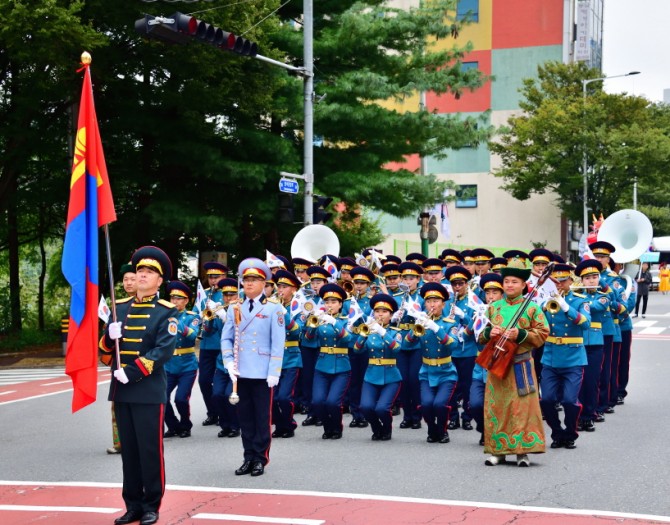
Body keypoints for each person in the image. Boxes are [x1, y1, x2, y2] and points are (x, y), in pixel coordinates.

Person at [100, 246, 178, 525]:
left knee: (149, 450)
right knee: (129, 451)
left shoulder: (165, 312)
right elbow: (104, 354)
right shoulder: (119, 307)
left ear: (160, 281)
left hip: (146, 388)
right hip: (121, 390)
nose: (143, 275)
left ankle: (151, 505)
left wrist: (132, 372)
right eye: (141, 271)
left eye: (150, 273)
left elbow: (163, 351)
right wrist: (109, 338)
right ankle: (132, 503)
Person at [479, 258, 548, 467]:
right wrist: (491, 332)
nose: (509, 285)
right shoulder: (493, 308)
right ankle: (497, 450)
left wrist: (521, 334)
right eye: (507, 281)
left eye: (514, 282)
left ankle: (522, 452)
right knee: (497, 406)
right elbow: (481, 336)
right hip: (498, 364)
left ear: (523, 285)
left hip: (521, 364)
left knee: (521, 408)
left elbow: (543, 333)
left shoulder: (532, 308)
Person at [221, 258, 285, 477]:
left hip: (262, 372)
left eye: (254, 280)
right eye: (246, 280)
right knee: (245, 417)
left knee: (261, 418)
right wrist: (228, 361)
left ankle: (260, 458)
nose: (248, 284)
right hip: (240, 371)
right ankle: (248, 456)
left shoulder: (273, 309)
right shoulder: (234, 307)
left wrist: (274, 372)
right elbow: (226, 338)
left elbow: (278, 343)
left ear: (263, 283)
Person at [539, 264, 590, 450]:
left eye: (563, 281)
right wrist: (543, 307)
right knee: (546, 400)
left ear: (570, 281)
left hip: (573, 357)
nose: (560, 284)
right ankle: (557, 432)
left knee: (569, 400)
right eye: (556, 282)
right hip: (551, 356)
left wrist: (566, 307)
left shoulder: (579, 301)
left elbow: (585, 323)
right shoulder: (546, 301)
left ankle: (570, 433)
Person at [406, 282, 459, 444]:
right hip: (427, 371)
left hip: (446, 372)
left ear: (443, 304)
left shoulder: (450, 324)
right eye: (429, 301)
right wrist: (416, 328)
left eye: (436, 301)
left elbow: (453, 344)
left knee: (440, 405)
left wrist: (437, 329)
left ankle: (442, 431)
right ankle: (431, 429)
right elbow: (406, 344)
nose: (432, 305)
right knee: (427, 404)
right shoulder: (422, 322)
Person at [304, 283, 352, 439]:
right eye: (327, 302)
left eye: (333, 302)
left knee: (332, 402)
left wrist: (334, 322)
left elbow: (348, 339)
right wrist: (313, 322)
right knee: (318, 401)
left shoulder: (345, 321)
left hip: (341, 365)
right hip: (322, 364)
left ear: (340, 304)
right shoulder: (320, 319)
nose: (329, 305)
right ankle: (327, 427)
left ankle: (336, 428)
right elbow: (309, 338)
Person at [354, 293, 403, 441]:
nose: (380, 315)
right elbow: (357, 350)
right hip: (371, 375)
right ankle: (376, 428)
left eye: (384, 312)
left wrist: (383, 333)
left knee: (382, 408)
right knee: (366, 407)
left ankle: (387, 428)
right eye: (377, 311)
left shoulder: (395, 332)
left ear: (391, 315)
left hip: (391, 376)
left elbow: (397, 348)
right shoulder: (369, 331)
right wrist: (363, 334)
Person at [105, 262, 136, 455]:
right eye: (125, 279)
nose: (129, 282)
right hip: (120, 366)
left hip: (143, 367)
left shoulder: (157, 307)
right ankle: (120, 443)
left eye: (132, 278)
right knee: (118, 408)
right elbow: (104, 343)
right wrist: (109, 335)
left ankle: (138, 442)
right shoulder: (118, 307)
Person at [575, 260, 609, 432]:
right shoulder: (576, 295)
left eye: (595, 277)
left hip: (595, 344)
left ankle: (588, 415)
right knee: (577, 381)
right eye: (587, 278)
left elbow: (595, 307)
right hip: (577, 343)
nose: (591, 281)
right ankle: (577, 415)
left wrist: (579, 302)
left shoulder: (603, 296)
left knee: (591, 381)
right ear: (581, 280)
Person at [163, 281, 200, 439]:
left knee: (181, 399)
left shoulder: (193, 317)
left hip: (187, 365)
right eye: (172, 298)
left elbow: (192, 335)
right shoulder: (164, 317)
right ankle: (173, 426)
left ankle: (185, 424)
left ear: (186, 301)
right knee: (162, 398)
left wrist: (177, 323)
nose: (175, 301)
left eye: (179, 298)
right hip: (168, 364)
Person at [272, 269, 303, 438]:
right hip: (274, 357)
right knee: (272, 398)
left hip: (291, 357)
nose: (280, 289)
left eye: (285, 286)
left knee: (284, 397)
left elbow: (298, 331)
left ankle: (289, 423)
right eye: (279, 286)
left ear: (294, 289)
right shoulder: (273, 305)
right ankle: (280, 425)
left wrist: (285, 314)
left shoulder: (299, 308)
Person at [198, 262, 229, 427]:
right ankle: (212, 412)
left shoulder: (229, 293)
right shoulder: (204, 295)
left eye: (216, 277)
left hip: (222, 345)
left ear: (224, 277)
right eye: (210, 277)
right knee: (203, 381)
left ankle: (224, 412)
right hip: (206, 344)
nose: (213, 280)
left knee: (221, 382)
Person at [211, 278, 242, 438]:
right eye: (225, 295)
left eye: (232, 294)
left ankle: (235, 425)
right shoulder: (221, 311)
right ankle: (225, 425)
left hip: (237, 360)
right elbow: (210, 331)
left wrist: (225, 317)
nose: (229, 298)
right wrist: (211, 316)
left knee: (230, 394)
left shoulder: (242, 309)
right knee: (217, 394)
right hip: (221, 360)